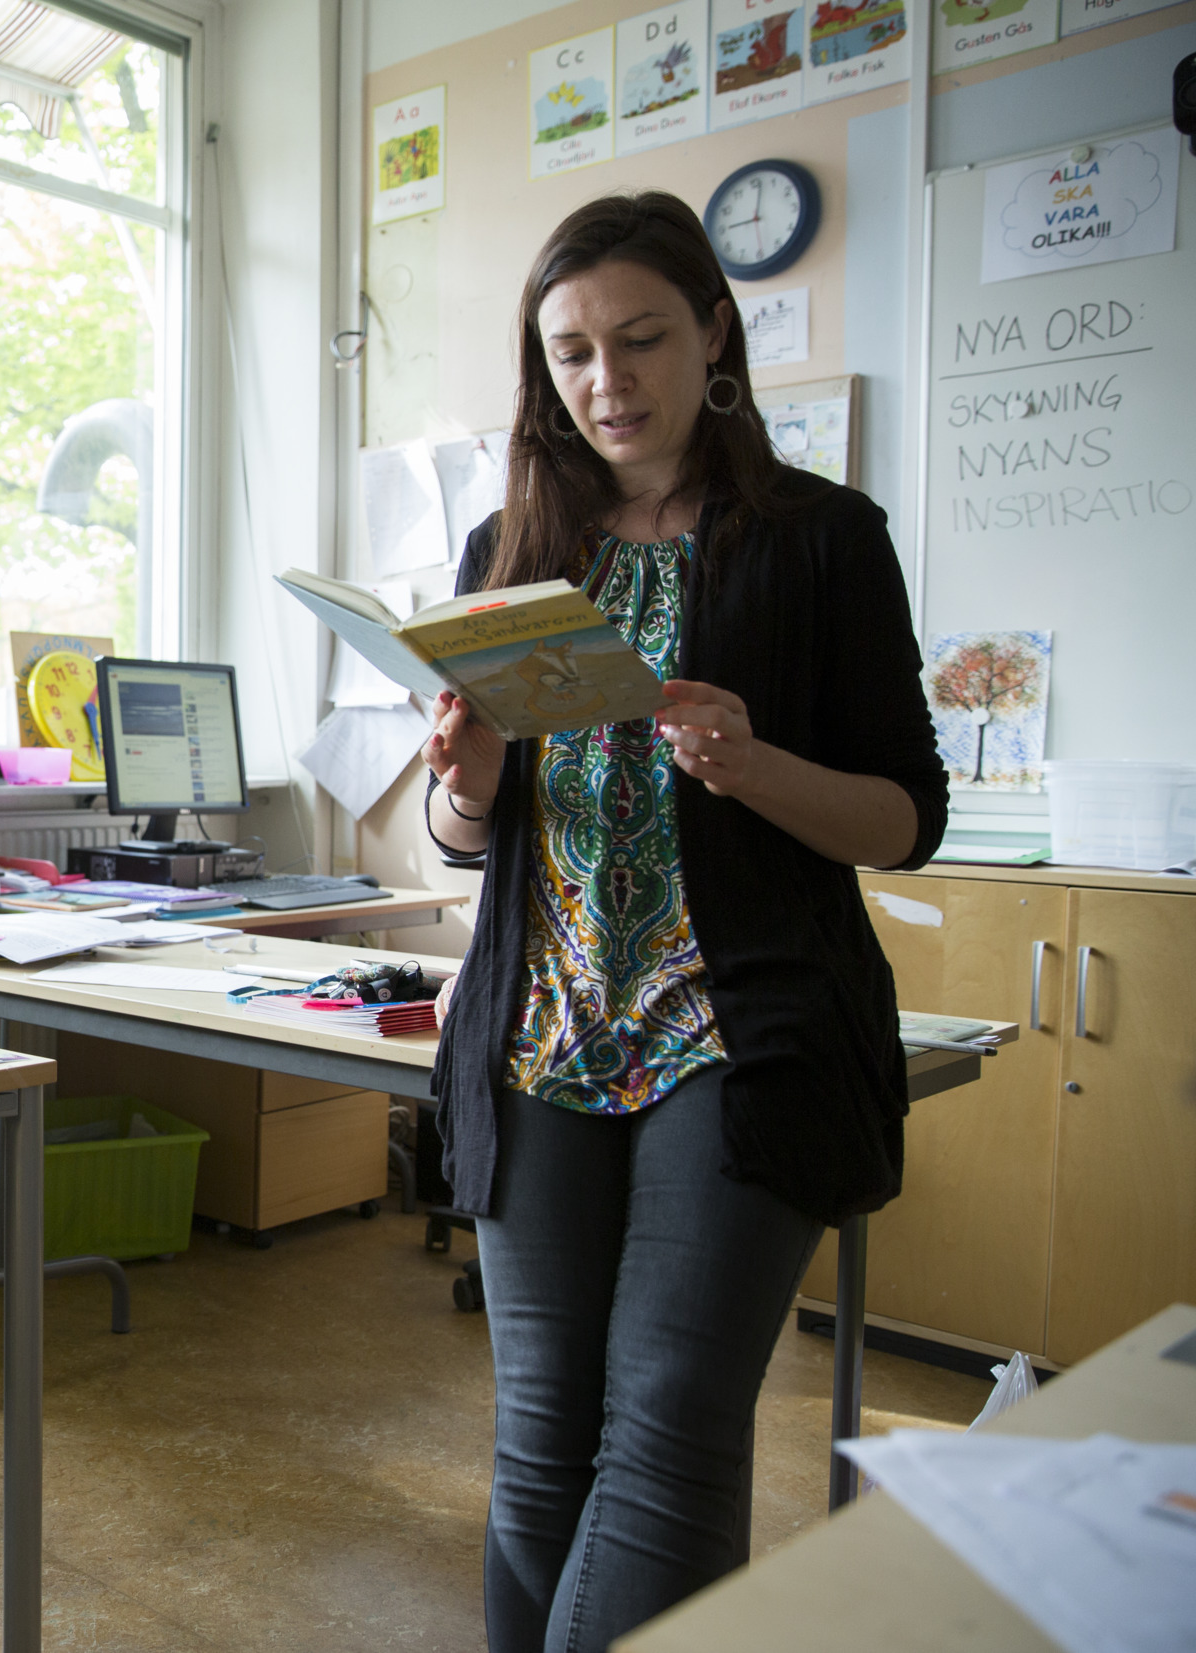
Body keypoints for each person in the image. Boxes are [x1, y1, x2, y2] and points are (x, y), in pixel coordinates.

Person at [419, 191, 947, 1653]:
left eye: (642, 339)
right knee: (543, 1444)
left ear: (716, 331)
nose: (609, 383)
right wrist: (465, 785)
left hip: (739, 1035)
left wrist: (755, 762)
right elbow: (471, 842)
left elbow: (907, 815)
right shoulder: (510, 549)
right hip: (538, 1037)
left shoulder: (822, 539)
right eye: (574, 355)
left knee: (665, 1439)